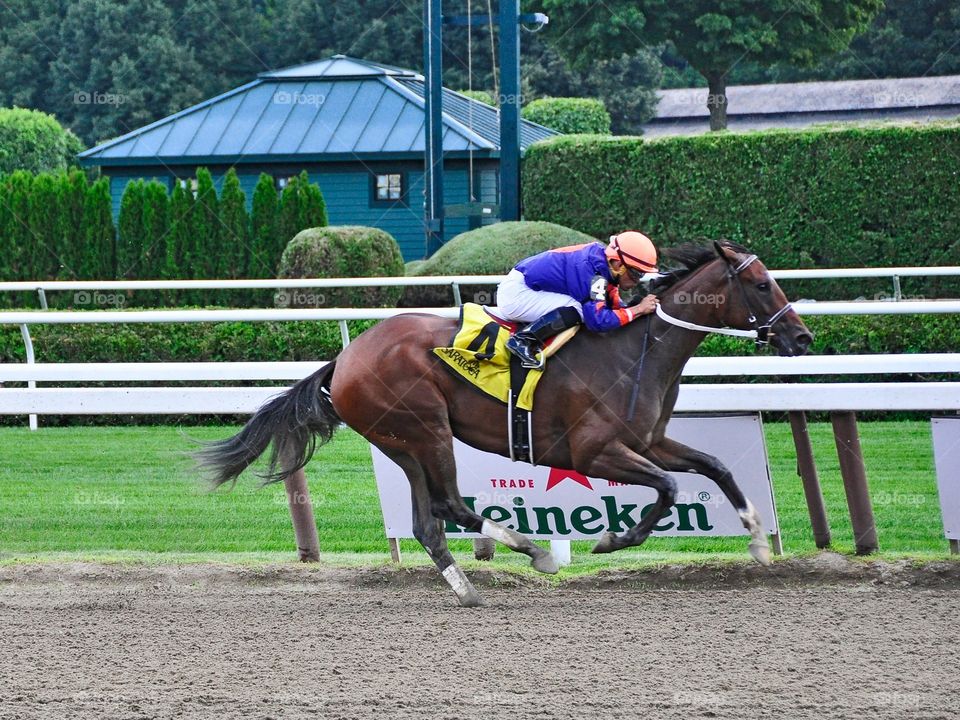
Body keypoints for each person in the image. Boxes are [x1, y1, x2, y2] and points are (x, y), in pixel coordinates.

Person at [495, 231, 660, 368]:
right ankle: (522, 341)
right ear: (618, 264)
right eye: (636, 273)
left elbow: (615, 306)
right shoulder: (593, 275)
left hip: (526, 287)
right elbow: (598, 322)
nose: (638, 280)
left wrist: (632, 311)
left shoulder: (602, 265)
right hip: (517, 294)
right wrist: (638, 309)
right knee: (579, 309)